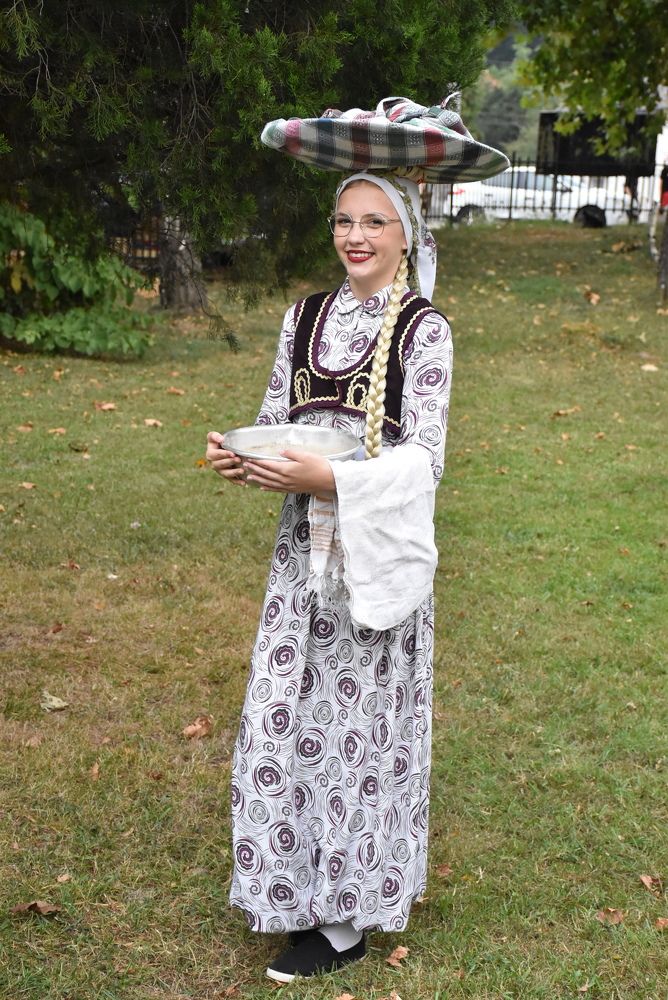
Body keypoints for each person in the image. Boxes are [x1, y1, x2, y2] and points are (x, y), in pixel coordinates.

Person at [206, 169, 453, 982]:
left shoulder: (423, 331)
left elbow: (425, 459)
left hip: (371, 559)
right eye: (345, 220)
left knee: (358, 732)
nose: (356, 236)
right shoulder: (304, 316)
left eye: (375, 222)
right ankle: (291, 884)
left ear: (405, 235)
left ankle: (345, 920)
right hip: (300, 561)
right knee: (284, 714)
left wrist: (336, 481)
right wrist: (240, 455)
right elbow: (276, 420)